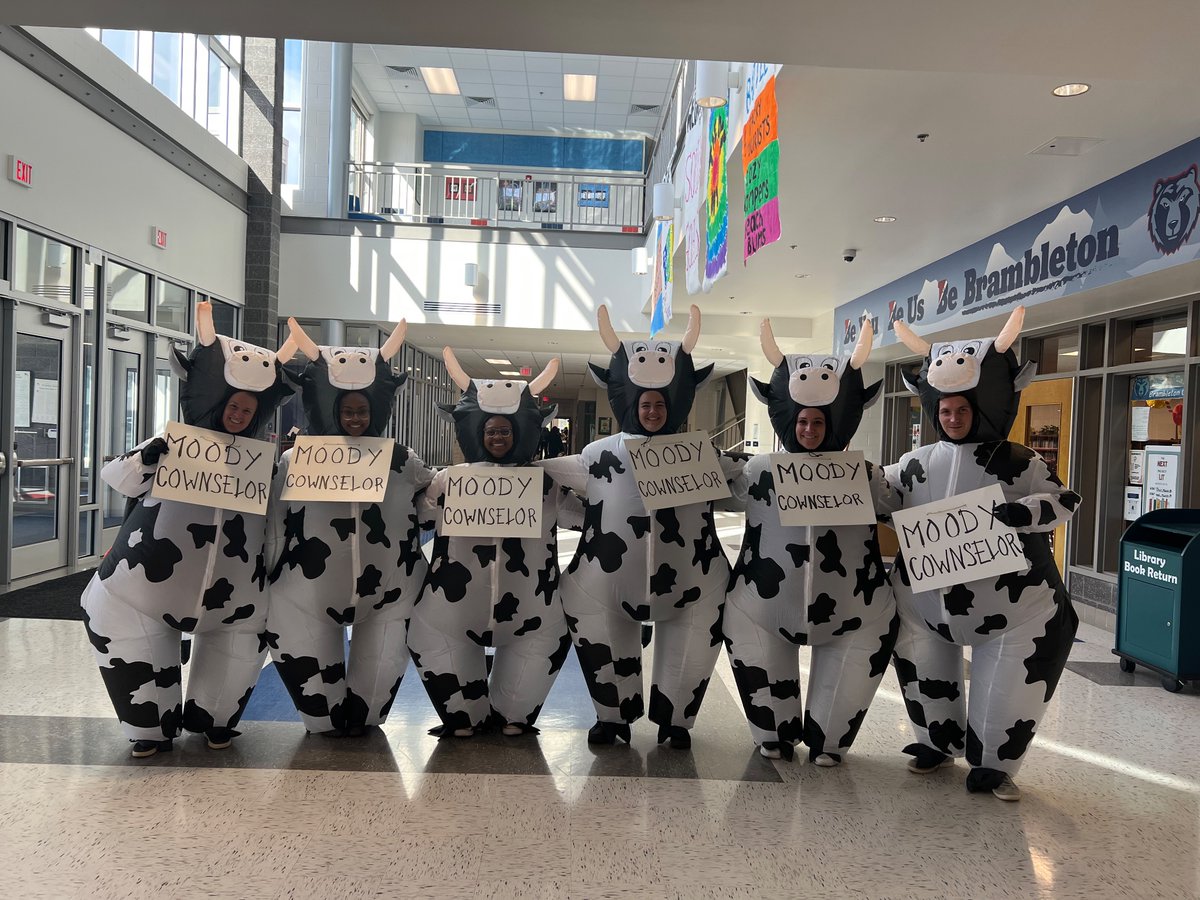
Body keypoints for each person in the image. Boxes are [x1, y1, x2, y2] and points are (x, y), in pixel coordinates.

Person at [80, 302, 298, 758]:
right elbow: (117, 478)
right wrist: (148, 457)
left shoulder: (260, 463)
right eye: (233, 405)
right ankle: (149, 728)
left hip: (235, 599)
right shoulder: (171, 447)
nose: (238, 414)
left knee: (224, 695)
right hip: (139, 591)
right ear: (218, 402)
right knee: (145, 707)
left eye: (247, 409)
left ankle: (214, 723)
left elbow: (278, 520)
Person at [881, 306, 1080, 801]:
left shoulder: (1021, 461)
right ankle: (933, 741)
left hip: (1013, 608)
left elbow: (1062, 500)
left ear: (982, 407)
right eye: (945, 410)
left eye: (962, 410)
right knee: (925, 669)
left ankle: (994, 764)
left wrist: (1024, 513)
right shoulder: (916, 462)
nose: (952, 418)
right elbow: (882, 491)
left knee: (1007, 691)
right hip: (925, 602)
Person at [540, 304, 742, 749]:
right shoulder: (598, 453)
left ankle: (676, 723)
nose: (652, 411)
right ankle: (613, 719)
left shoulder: (700, 454)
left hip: (694, 581)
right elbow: (553, 474)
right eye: (646, 403)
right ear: (633, 402)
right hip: (605, 581)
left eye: (659, 404)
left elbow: (745, 483)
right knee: (604, 639)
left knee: (688, 652)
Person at [725, 319, 898, 764]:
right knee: (768, 712)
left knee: (834, 729)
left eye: (818, 421)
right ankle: (773, 733)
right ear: (789, 420)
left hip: (854, 612)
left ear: (834, 422)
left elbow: (902, 508)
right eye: (802, 420)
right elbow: (718, 496)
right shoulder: (760, 469)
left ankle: (830, 742)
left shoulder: (866, 474)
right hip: (762, 606)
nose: (809, 429)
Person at [265, 320, 434, 736]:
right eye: (346, 410)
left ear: (373, 411)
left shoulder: (400, 458)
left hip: (390, 594)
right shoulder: (295, 462)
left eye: (361, 411)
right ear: (332, 410)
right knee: (321, 719)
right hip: (304, 594)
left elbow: (430, 497)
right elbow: (271, 522)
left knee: (369, 715)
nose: (354, 418)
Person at [408, 353, 575, 736]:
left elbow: (578, 517)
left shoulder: (545, 482)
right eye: (491, 432)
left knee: (515, 719)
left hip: (535, 613)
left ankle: (512, 715)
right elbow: (421, 516)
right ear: (476, 433)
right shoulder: (450, 479)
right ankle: (463, 717)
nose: (498, 438)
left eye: (505, 431)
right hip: (448, 611)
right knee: (462, 720)